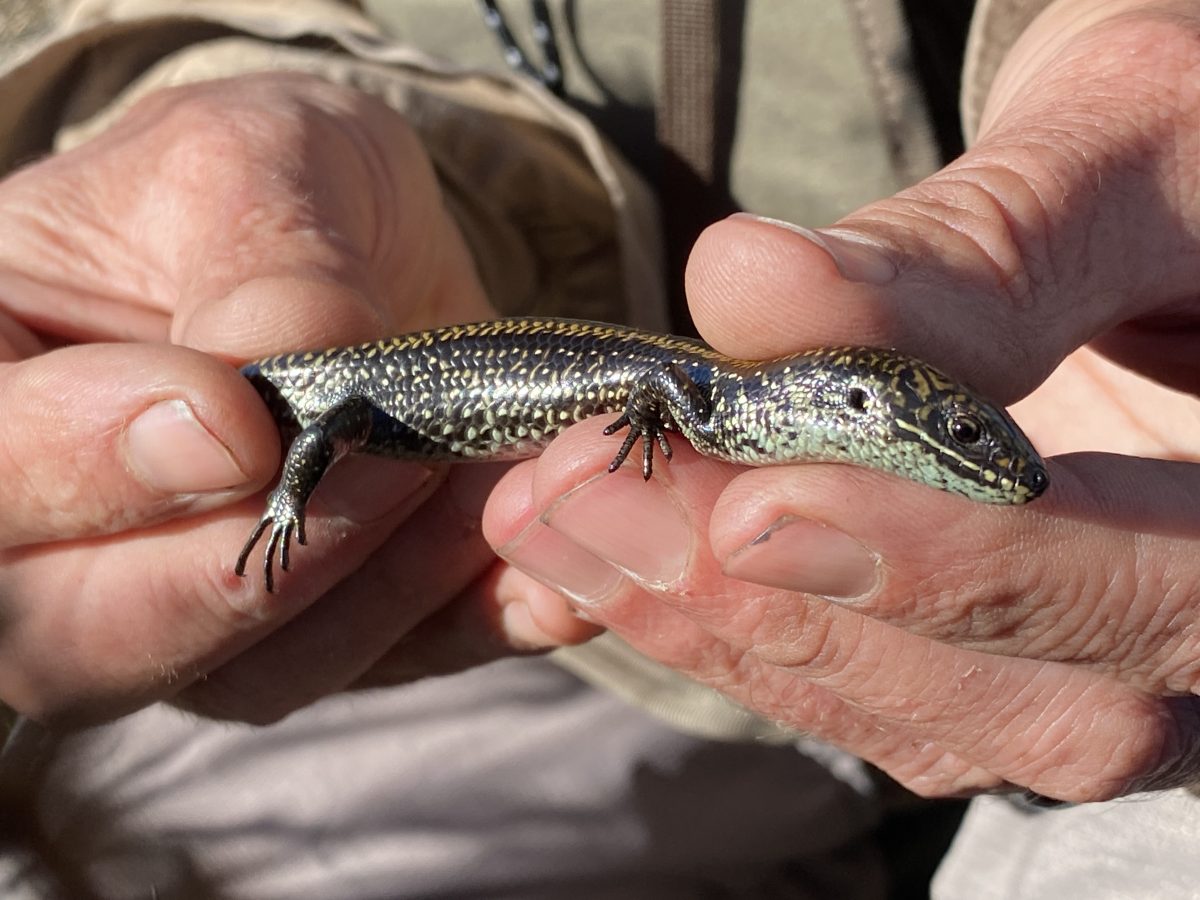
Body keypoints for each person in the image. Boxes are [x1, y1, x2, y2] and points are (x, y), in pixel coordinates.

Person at [1, 0, 1198, 897]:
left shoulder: (746, 391)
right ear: (855, 402)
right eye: (949, 431)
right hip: (352, 399)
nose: (974, 453)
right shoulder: (693, 388)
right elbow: (617, 382)